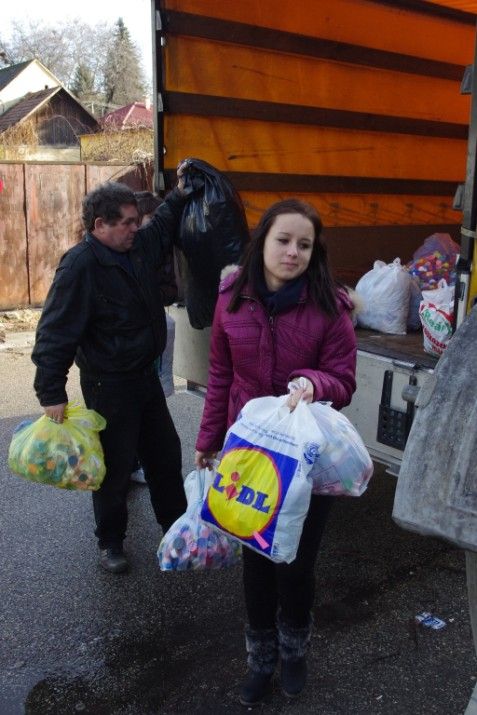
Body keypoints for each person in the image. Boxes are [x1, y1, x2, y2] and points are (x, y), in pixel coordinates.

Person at [194, 199, 357, 705]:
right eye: (283, 240)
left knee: (296, 564)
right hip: (249, 455)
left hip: (306, 459)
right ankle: (260, 660)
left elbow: (344, 381)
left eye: (304, 245)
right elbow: (220, 374)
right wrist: (208, 440)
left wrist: (313, 382)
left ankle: (294, 650)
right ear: (262, 240)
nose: (292, 252)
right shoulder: (231, 299)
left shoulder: (330, 306)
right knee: (257, 563)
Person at [32, 172, 188, 575]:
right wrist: (51, 391)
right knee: (114, 468)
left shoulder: (136, 247)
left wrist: (180, 193)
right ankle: (111, 542)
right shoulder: (80, 266)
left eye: (137, 221)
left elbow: (162, 226)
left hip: (145, 377)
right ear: (100, 225)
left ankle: (176, 531)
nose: (136, 228)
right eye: (128, 222)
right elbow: (55, 331)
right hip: (109, 385)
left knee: (165, 457)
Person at [129, 191, 177, 485]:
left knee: (150, 413)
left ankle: (139, 463)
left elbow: (170, 290)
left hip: (152, 339)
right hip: (123, 360)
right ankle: (126, 466)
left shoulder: (159, 251)